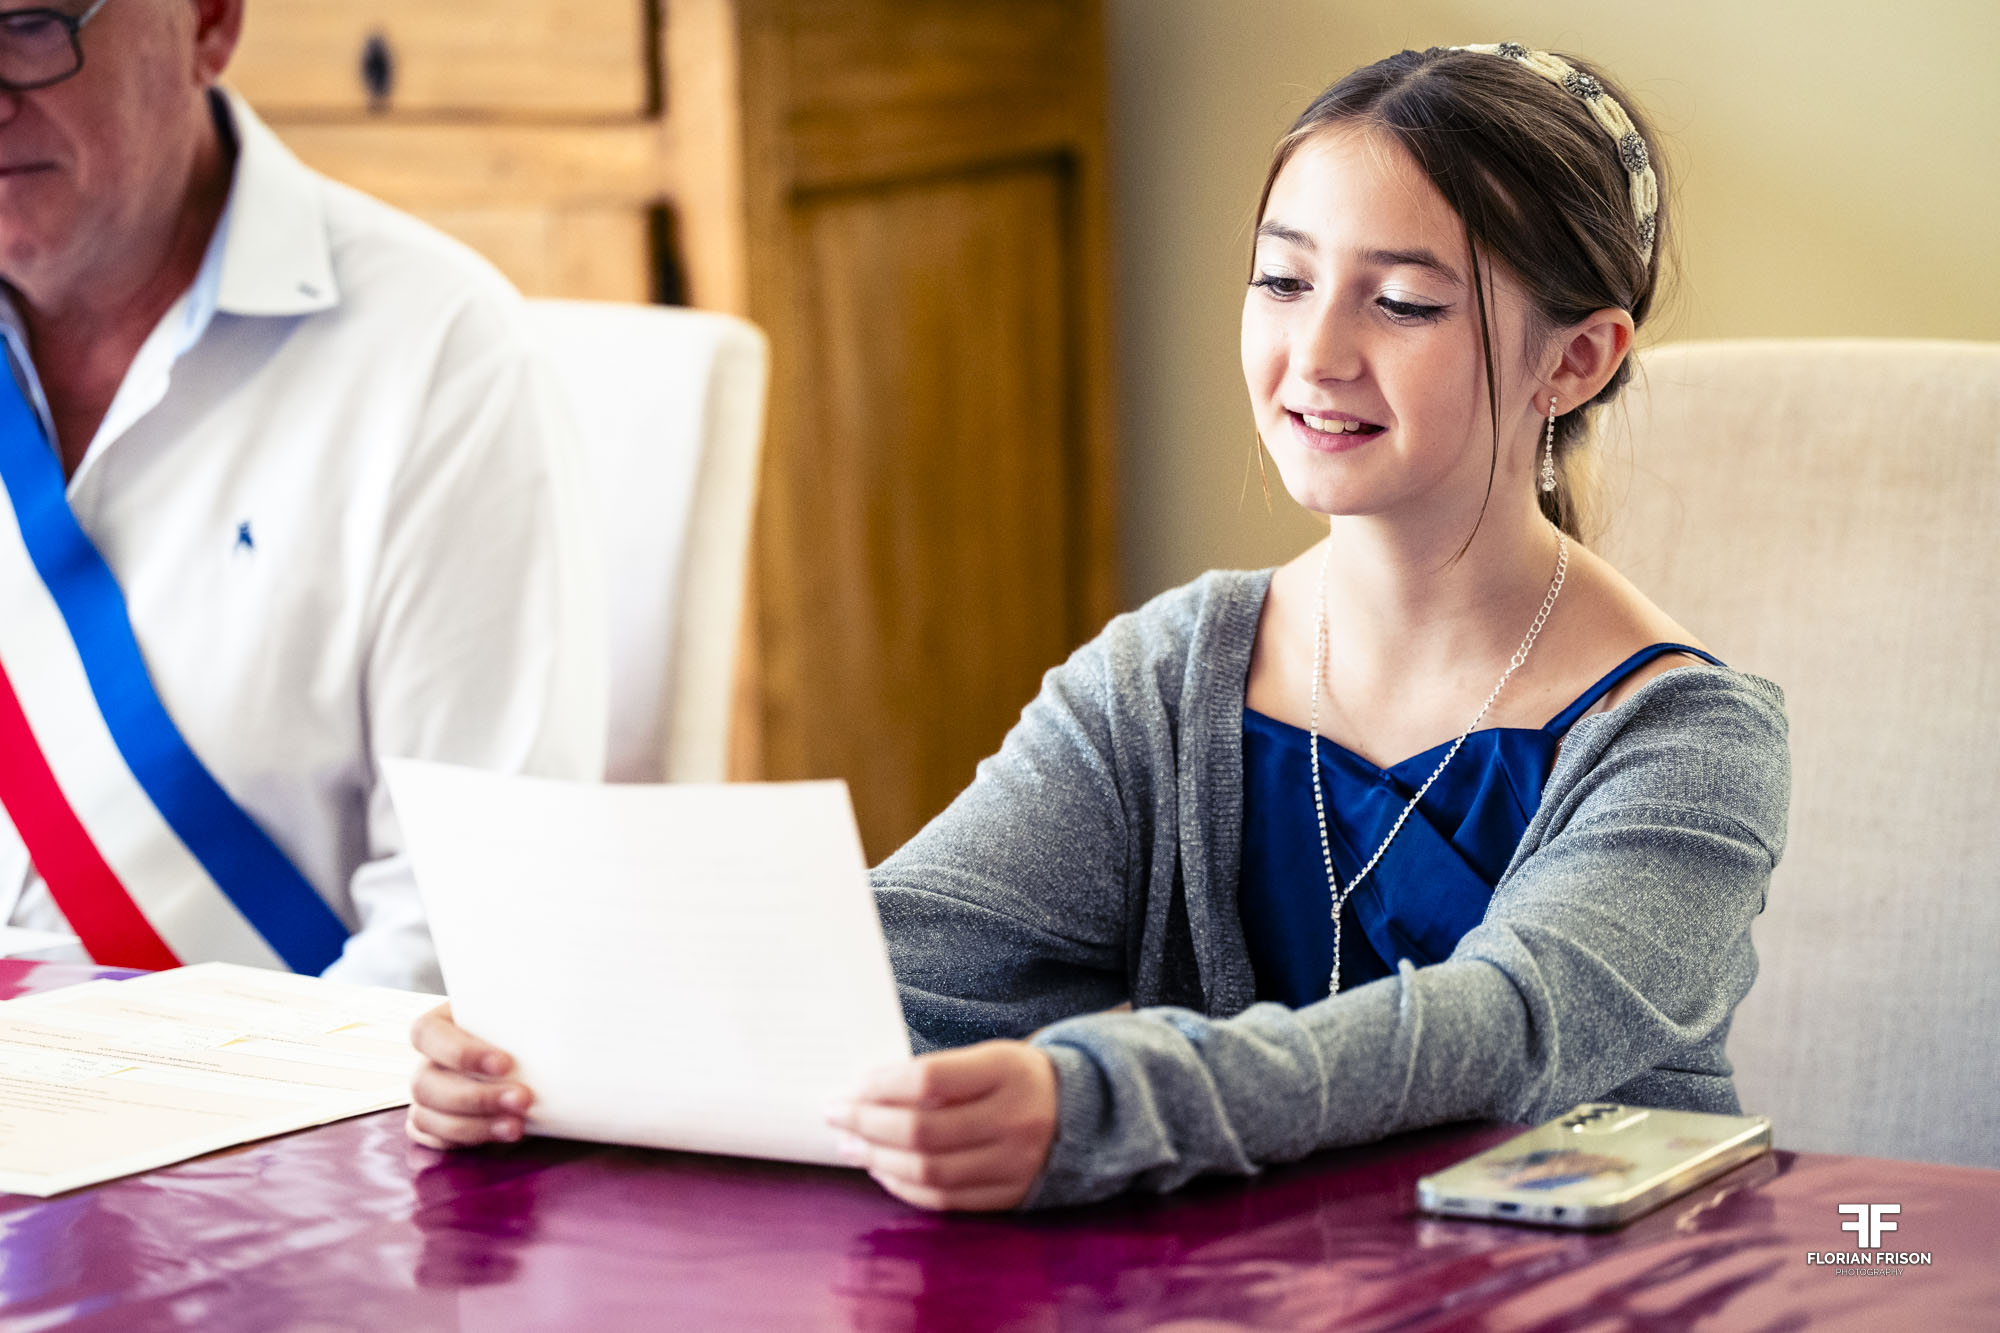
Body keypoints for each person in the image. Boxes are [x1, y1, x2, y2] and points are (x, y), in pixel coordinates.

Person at [408, 44, 1789, 1210]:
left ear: (1579, 356)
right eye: (1284, 279)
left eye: (1405, 301)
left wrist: (1098, 1097)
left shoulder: (1689, 741)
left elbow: (1504, 1037)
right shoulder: (1172, 675)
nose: (1315, 356)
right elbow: (898, 960)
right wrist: (560, 1034)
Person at [0, 0, 604, 991]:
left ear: (208, 23)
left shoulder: (438, 360)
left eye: (29, 21)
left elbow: (471, 934)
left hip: (271, 1121)